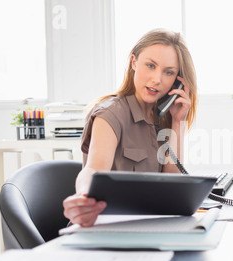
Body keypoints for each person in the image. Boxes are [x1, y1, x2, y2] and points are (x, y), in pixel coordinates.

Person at [63, 29, 198, 227]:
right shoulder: (110, 114)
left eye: (168, 72)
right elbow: (93, 169)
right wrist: (84, 196)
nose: (157, 79)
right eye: (150, 65)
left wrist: (178, 123)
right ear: (134, 62)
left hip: (145, 225)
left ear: (178, 80)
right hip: (105, 227)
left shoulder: (163, 118)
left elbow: (172, 183)